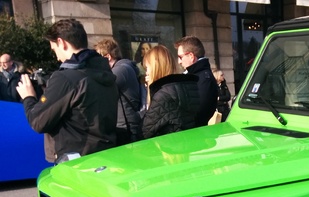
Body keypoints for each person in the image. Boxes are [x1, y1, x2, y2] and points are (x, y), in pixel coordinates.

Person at [16, 18, 118, 164]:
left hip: (76, 160)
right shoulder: (104, 70)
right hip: (105, 154)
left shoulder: (66, 78)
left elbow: (38, 121)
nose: (57, 57)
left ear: (61, 42)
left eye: (54, 49)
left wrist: (28, 97)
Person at [141, 44, 200, 139]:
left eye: (147, 68)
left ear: (156, 68)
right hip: (186, 144)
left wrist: (150, 89)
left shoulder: (162, 95)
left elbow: (145, 132)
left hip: (168, 149)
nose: (146, 73)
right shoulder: (185, 86)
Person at [94, 38, 142, 144]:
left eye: (98, 59)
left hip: (127, 128)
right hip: (127, 125)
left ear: (107, 57)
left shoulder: (120, 70)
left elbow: (98, 90)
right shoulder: (124, 68)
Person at [174, 36, 217, 126]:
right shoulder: (196, 75)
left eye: (180, 57)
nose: (179, 62)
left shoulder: (203, 78)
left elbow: (198, 113)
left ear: (191, 56)